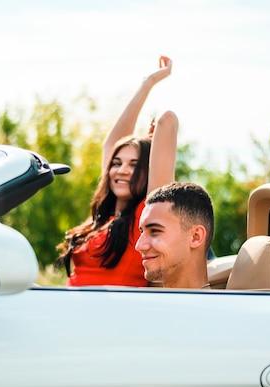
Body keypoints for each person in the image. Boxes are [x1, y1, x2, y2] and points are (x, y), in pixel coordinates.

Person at [56, 56, 178, 287]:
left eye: (134, 165)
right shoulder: (101, 219)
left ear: (147, 171)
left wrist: (152, 143)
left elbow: (168, 121)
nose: (122, 170)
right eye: (117, 163)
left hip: (111, 315)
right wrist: (146, 83)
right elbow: (112, 143)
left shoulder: (146, 216)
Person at [135, 182, 215, 289]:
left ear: (196, 237)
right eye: (142, 232)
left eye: (155, 231)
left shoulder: (215, 305)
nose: (139, 246)